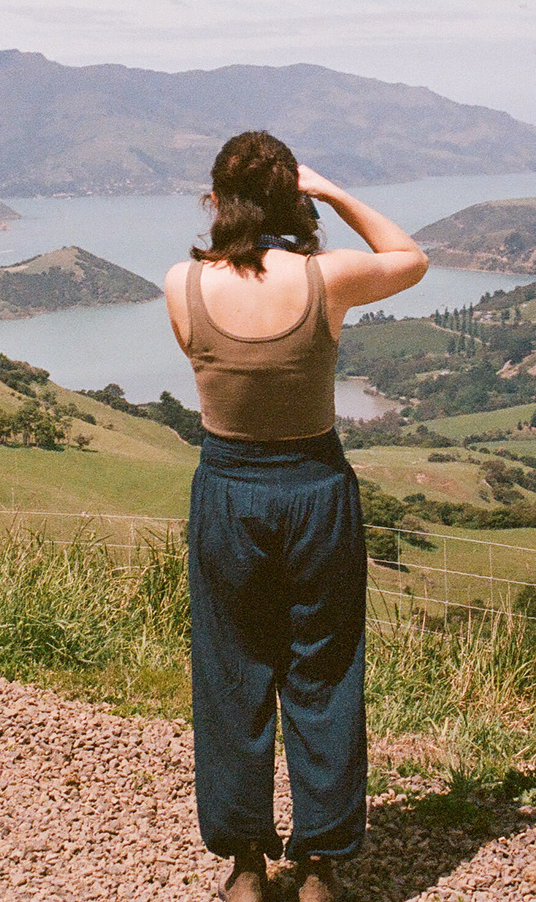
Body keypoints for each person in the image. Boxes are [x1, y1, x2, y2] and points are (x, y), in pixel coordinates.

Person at [164, 131, 427, 902]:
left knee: (231, 672)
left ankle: (245, 865)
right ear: (294, 200)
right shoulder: (328, 279)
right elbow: (409, 256)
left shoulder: (181, 284)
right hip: (315, 489)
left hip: (228, 491)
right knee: (324, 671)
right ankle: (319, 866)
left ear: (216, 201)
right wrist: (336, 191)